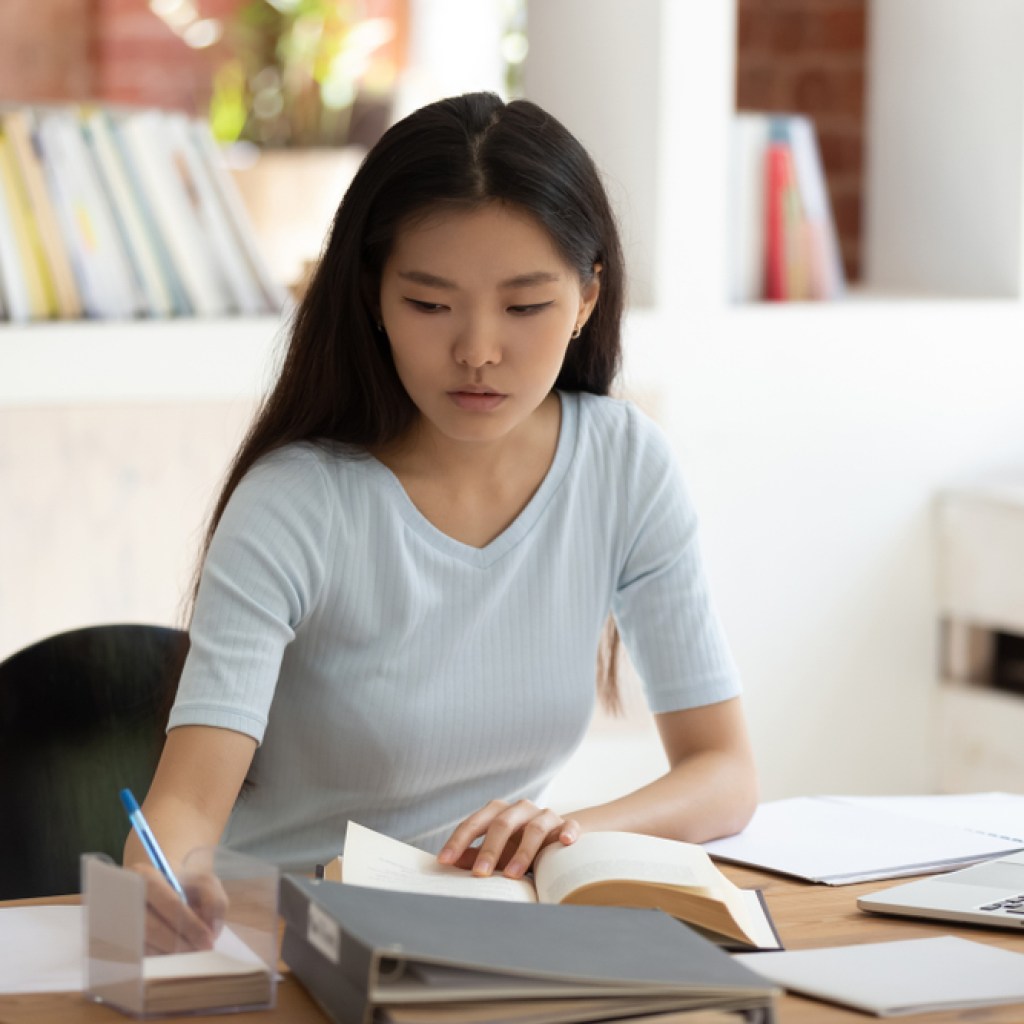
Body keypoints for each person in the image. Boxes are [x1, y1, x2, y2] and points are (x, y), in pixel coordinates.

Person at [125, 91, 757, 944]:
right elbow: (186, 808)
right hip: (289, 940)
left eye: (525, 306)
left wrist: (567, 835)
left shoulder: (623, 464)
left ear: (585, 299)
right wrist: (165, 880)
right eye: (429, 305)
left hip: (485, 932)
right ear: (372, 299)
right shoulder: (296, 503)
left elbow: (724, 771)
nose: (478, 350)